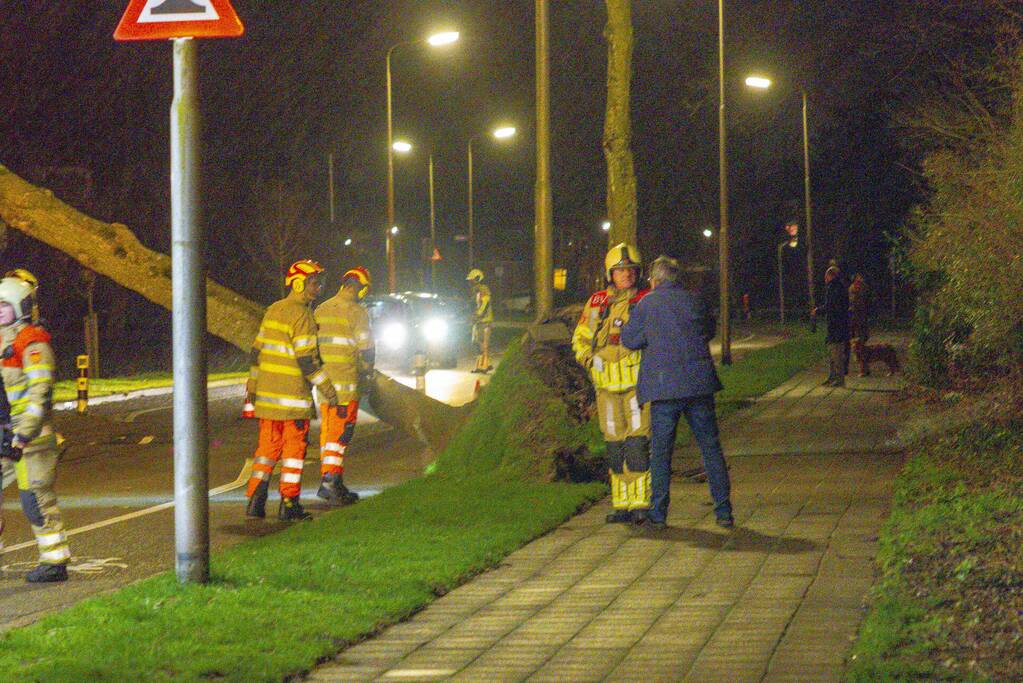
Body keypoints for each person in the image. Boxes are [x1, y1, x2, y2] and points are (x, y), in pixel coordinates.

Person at [622, 256, 734, 530]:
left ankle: (659, 514)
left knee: (661, 452)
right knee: (710, 448)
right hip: (698, 384)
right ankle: (724, 512)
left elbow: (630, 340)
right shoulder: (694, 299)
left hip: (663, 387)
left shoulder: (646, 304)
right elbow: (708, 330)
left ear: (655, 280)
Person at [245, 260, 338, 521]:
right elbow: (307, 362)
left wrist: (252, 383)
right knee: (294, 454)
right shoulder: (303, 316)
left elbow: (256, 352)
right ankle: (289, 504)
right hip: (293, 400)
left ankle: (255, 501)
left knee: (266, 451)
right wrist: (329, 389)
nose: (317, 288)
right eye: (313, 283)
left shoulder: (273, 309)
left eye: (319, 283)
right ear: (297, 283)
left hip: (267, 400)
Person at [572, 243, 651, 524]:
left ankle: (641, 504)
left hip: (636, 389)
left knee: (637, 446)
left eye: (630, 270)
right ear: (610, 274)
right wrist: (589, 359)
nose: (626, 275)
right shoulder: (596, 303)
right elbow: (581, 337)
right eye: (620, 271)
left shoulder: (646, 299)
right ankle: (621, 505)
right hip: (605, 389)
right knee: (615, 449)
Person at [0, 275, 72, 582]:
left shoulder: (32, 342)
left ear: (21, 307)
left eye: (4, 306)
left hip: (29, 438)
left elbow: (39, 392)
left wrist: (23, 434)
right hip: (5, 433)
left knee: (35, 500)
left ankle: (54, 561)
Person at [313, 266, 374, 506]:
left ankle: (331, 480)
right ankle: (330, 483)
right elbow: (366, 348)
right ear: (361, 289)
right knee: (340, 436)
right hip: (346, 385)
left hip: (325, 386)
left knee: (328, 434)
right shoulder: (357, 312)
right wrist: (368, 373)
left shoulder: (321, 308)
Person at [818, 264, 850, 386]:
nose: (825, 279)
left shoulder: (834, 288)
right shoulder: (839, 287)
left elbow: (831, 305)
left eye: (826, 276)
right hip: (838, 324)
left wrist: (818, 310)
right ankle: (832, 377)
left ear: (830, 276)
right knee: (832, 352)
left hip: (836, 325)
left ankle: (839, 379)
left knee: (836, 353)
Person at [466, 269, 493, 373]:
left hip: (484, 321)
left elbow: (485, 303)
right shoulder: (476, 291)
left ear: (477, 279)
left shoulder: (483, 289)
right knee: (476, 342)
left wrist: (478, 314)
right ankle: (480, 365)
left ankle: (484, 366)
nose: (470, 282)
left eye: (471, 280)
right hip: (478, 321)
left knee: (483, 343)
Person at [848, 273, 870, 375]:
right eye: (859, 278)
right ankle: (863, 368)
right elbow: (854, 302)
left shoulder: (863, 288)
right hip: (856, 319)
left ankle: (865, 368)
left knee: (862, 344)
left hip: (862, 319)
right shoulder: (853, 289)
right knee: (859, 345)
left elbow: (865, 301)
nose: (861, 279)